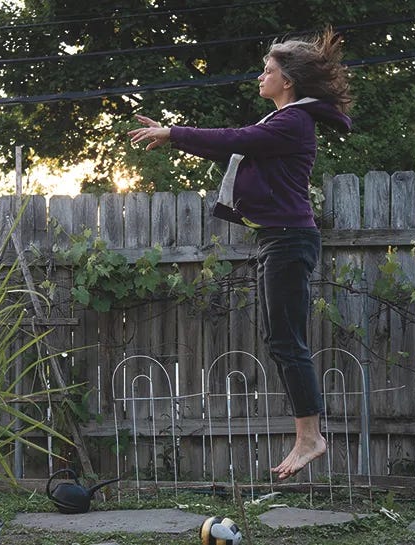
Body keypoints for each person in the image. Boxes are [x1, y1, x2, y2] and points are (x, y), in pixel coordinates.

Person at [128, 29, 353, 480]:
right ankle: (307, 435)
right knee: (278, 339)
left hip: (289, 239)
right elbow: (237, 142)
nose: (260, 76)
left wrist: (173, 132)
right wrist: (177, 137)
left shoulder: (293, 122)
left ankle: (310, 437)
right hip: (276, 238)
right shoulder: (282, 122)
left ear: (288, 81)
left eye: (268, 71)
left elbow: (234, 138)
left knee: (288, 341)